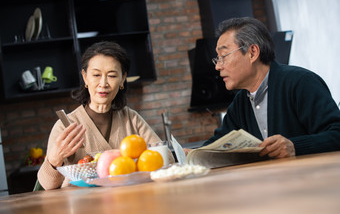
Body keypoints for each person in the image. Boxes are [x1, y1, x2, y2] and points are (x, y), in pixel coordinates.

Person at [38, 41, 174, 190]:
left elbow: (167, 159)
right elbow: (47, 185)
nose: (103, 83)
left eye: (112, 75)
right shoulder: (66, 125)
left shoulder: (131, 119)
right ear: (85, 77)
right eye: (96, 75)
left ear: (122, 79)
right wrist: (53, 160)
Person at [202, 17, 340, 158]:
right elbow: (217, 146)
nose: (218, 66)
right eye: (217, 58)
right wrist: (189, 155)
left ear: (252, 53)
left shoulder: (301, 82)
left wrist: (295, 146)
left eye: (224, 56)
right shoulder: (241, 102)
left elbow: (337, 134)